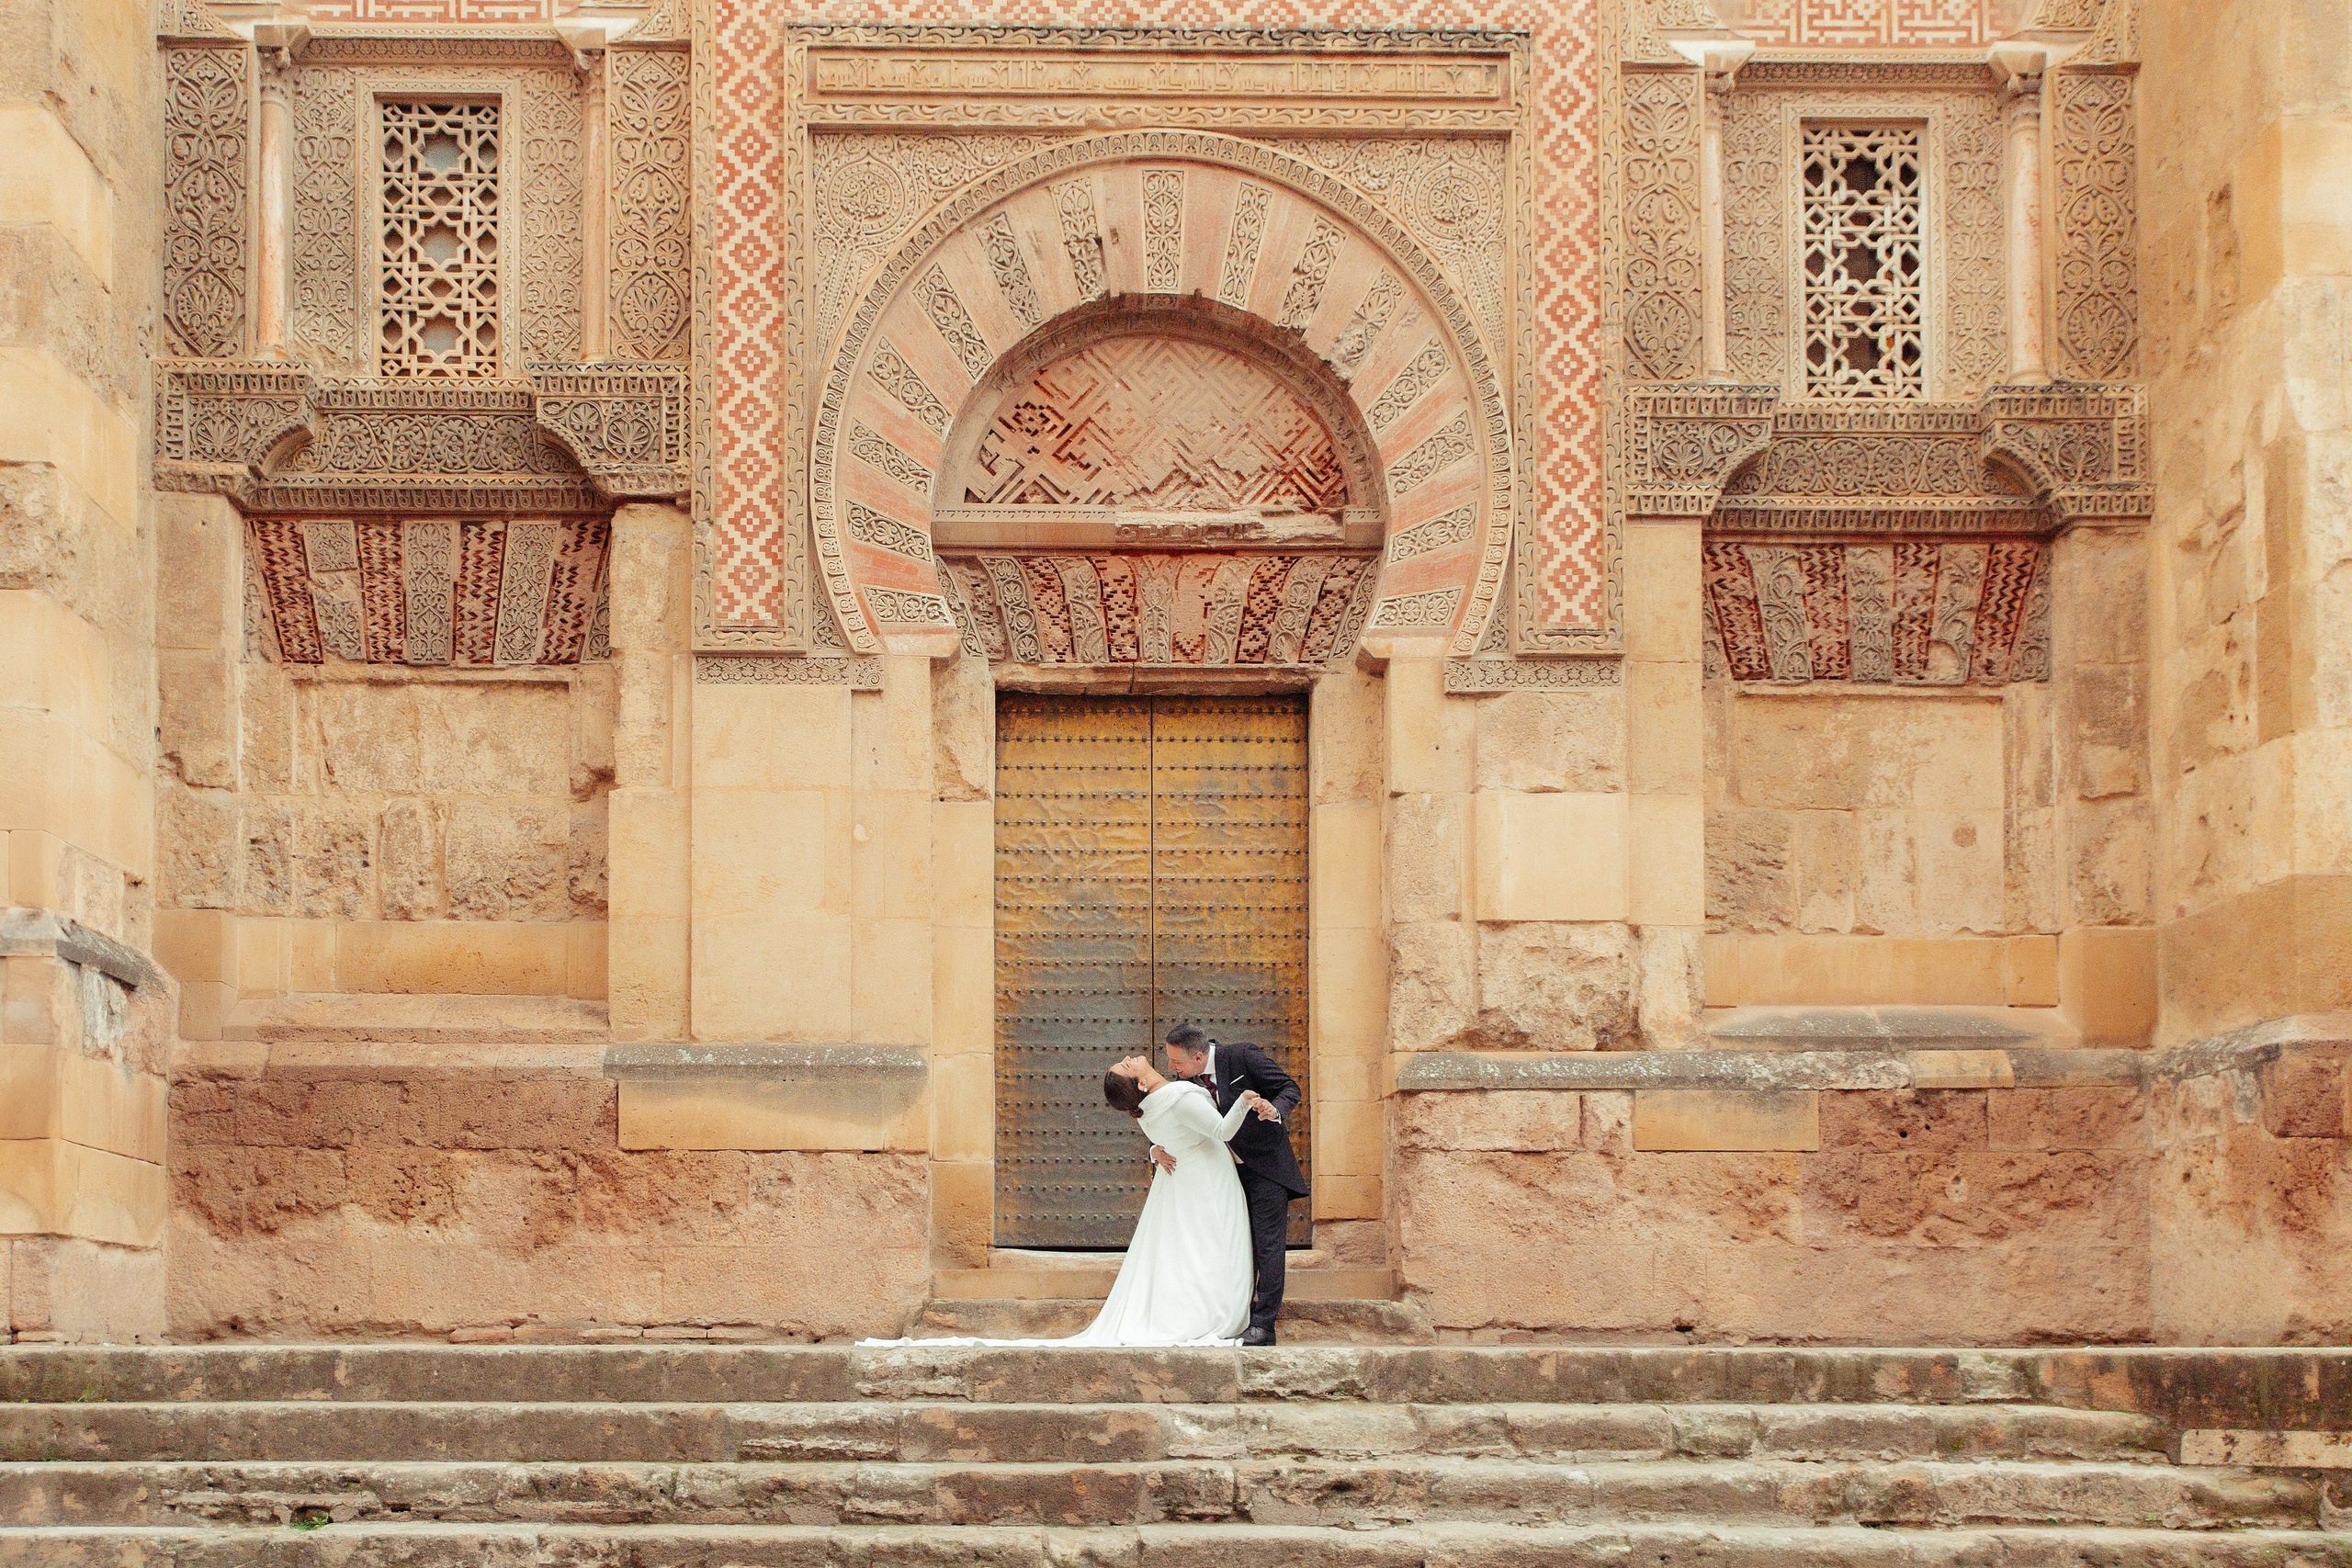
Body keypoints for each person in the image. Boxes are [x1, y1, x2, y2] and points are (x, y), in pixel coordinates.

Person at [859, 1055, 1264, 1348]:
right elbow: (1222, 1132)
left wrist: (1155, 1151)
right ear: (1139, 1084)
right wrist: (1246, 1099)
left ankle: (1198, 1305)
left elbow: (1163, 1138)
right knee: (1211, 1243)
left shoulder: (1145, 1112)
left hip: (1180, 1183)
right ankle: (1216, 1309)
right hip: (1207, 1179)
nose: (1129, 1058)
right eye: (1127, 1066)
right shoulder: (1177, 1096)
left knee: (1186, 1249)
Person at [1152, 1022, 1306, 1347]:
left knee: (1267, 1246)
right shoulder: (1186, 1081)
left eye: (1176, 1062)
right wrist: (1155, 1149)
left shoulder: (1242, 1056)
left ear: (1198, 1056)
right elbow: (1166, 1115)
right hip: (1223, 1176)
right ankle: (1230, 1316)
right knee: (1233, 1246)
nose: (1171, 1068)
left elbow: (1290, 1089)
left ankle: (1263, 1326)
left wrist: (1273, 1108)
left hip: (1266, 1168)